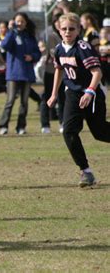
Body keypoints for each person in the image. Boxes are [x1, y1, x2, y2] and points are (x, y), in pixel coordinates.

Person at [47, 12, 110, 187]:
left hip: (92, 93)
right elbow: (59, 69)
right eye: (64, 28)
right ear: (59, 30)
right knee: (68, 131)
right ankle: (86, 171)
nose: (68, 32)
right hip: (73, 94)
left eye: (71, 29)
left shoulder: (83, 47)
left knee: (100, 132)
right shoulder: (59, 48)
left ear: (78, 29)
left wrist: (89, 92)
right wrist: (53, 94)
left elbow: (97, 72)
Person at [0, 12, 41, 135]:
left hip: (26, 73)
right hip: (13, 74)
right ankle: (3, 126)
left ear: (26, 23)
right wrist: (10, 31)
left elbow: (37, 53)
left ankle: (21, 127)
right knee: (10, 100)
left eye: (22, 21)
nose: (20, 23)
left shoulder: (30, 36)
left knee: (24, 102)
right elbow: (4, 46)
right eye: (17, 21)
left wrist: (32, 57)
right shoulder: (11, 34)